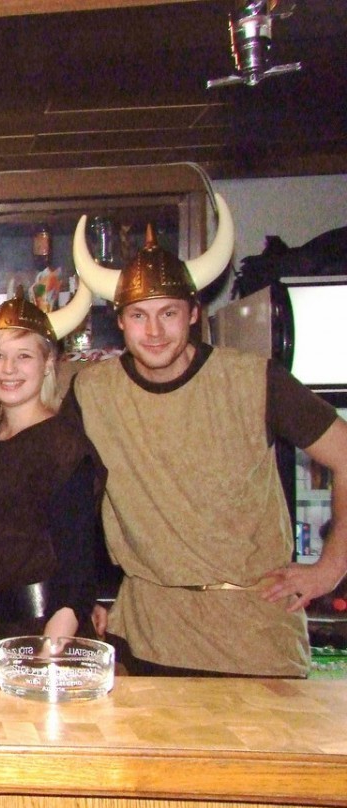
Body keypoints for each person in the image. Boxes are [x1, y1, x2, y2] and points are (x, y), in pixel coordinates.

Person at [66, 193, 347, 677]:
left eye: (169, 313)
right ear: (120, 321)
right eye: (139, 315)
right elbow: (61, 497)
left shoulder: (254, 380)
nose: (154, 331)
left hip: (255, 636)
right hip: (149, 634)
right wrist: (75, 596)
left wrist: (331, 568)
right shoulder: (93, 392)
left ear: (194, 313)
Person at [0, 285, 102, 674]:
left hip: (46, 641)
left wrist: (45, 659)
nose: (9, 369)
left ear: (48, 363)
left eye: (24, 356)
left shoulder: (65, 446)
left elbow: (77, 574)